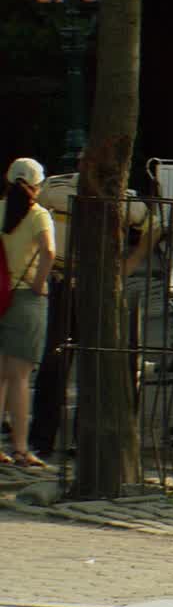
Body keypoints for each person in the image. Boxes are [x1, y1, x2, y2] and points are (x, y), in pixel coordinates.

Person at [0, 159, 56, 468]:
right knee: (20, 378)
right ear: (38, 185)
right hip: (25, 299)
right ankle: (21, 448)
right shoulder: (39, 216)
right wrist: (38, 283)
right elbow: (48, 252)